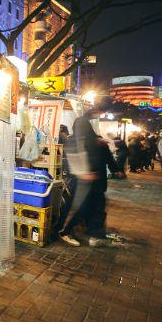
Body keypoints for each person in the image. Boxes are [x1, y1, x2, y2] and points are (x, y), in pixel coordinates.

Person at [59, 105, 124, 247]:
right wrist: (83, 173)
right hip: (83, 179)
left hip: (89, 179)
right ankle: (64, 231)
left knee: (88, 206)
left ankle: (88, 232)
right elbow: (74, 158)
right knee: (77, 207)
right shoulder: (78, 139)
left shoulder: (86, 139)